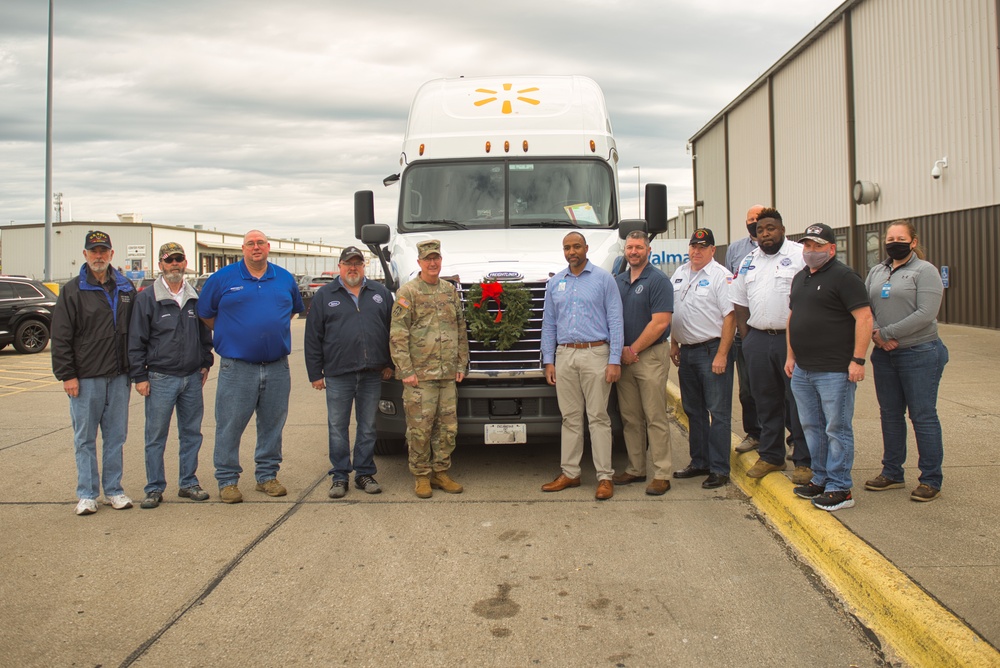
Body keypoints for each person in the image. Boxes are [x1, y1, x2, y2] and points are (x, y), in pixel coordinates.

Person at [196, 230, 304, 504]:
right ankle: (228, 480)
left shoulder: (283, 278)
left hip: (277, 366)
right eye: (250, 244)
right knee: (230, 425)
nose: (256, 248)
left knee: (272, 425)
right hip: (237, 367)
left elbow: (292, 309)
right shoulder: (222, 278)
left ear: (268, 247)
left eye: (260, 243)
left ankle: (267, 476)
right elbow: (206, 314)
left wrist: (268, 327)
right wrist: (234, 334)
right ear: (243, 248)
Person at [784, 224, 872, 512]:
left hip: (835, 370)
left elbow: (864, 319)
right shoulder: (800, 278)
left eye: (817, 246)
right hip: (803, 369)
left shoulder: (845, 277)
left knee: (837, 428)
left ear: (831, 249)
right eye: (807, 246)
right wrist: (791, 357)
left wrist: (858, 360)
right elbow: (793, 319)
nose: (811, 252)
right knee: (812, 427)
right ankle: (820, 478)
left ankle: (840, 487)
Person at [51, 230, 137, 515]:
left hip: (119, 376)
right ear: (85, 254)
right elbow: (61, 336)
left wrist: (135, 371)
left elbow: (136, 333)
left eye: (103, 250)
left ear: (112, 254)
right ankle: (87, 493)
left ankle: (114, 490)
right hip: (86, 378)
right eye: (93, 251)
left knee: (116, 437)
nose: (98, 256)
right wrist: (67, 375)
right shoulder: (72, 290)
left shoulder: (125, 288)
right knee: (85, 438)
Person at [864, 220, 948, 502]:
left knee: (922, 416)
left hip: (920, 352)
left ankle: (930, 479)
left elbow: (926, 312)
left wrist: (887, 333)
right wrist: (877, 334)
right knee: (889, 414)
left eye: (900, 237)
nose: (893, 241)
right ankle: (892, 473)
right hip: (884, 355)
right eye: (890, 237)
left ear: (913, 242)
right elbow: (866, 306)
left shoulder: (925, 271)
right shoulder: (877, 271)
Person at [128, 242, 214, 509]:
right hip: (159, 378)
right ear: (160, 265)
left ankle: (188, 483)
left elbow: (204, 336)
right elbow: (136, 340)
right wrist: (139, 377)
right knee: (156, 436)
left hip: (191, 378)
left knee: (191, 434)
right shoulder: (147, 298)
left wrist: (205, 362)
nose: (175, 264)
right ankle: (154, 487)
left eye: (179, 259)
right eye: (169, 260)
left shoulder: (194, 296)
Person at [729, 208, 812, 483]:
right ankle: (771, 456)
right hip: (758, 340)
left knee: (797, 401)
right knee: (765, 400)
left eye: (770, 229)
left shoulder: (800, 255)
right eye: (761, 230)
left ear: (782, 229)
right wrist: (747, 336)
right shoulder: (748, 261)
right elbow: (739, 301)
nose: (765, 234)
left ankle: (803, 460)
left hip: (792, 341)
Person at [305, 246, 394, 499]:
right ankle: (340, 476)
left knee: (367, 427)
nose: (352, 268)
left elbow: (392, 332)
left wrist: (390, 364)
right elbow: (313, 337)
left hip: (371, 375)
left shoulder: (380, 293)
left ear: (364, 266)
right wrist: (315, 374)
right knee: (337, 426)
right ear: (340, 266)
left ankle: (364, 473)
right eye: (348, 263)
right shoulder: (324, 296)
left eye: (357, 263)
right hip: (338, 374)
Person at [540, 232, 624, 500]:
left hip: (595, 353)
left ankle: (604, 477)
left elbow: (616, 321)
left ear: (586, 248)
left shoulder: (603, 279)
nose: (571, 251)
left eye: (576, 246)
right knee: (570, 418)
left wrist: (614, 360)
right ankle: (571, 473)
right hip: (565, 355)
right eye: (567, 247)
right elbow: (549, 324)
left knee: (598, 417)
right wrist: (549, 360)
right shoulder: (555, 283)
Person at [389, 239, 469, 499]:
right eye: (428, 259)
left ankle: (441, 472)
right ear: (419, 262)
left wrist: (461, 363)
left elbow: (460, 328)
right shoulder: (408, 292)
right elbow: (398, 334)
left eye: (436, 258)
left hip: (446, 375)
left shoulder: (449, 291)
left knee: (447, 428)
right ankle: (421, 476)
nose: (433, 263)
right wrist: (406, 369)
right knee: (420, 429)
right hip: (419, 377)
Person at [669, 228, 736, 489]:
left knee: (717, 413)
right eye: (693, 246)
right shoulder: (680, 273)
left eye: (702, 247)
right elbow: (675, 311)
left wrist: (722, 354)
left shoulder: (721, 276)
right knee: (693, 410)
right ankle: (699, 462)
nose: (696, 251)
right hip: (686, 352)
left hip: (712, 351)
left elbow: (730, 317)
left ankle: (719, 469)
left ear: (712, 250)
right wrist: (674, 342)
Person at [613, 230, 673, 496]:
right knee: (630, 417)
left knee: (655, 416)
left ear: (649, 250)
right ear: (624, 251)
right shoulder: (619, 280)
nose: (634, 252)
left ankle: (662, 473)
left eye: (639, 247)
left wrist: (633, 349)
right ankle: (636, 468)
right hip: (625, 357)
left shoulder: (658, 280)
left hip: (649, 356)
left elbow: (660, 322)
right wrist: (621, 353)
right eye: (629, 248)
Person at [726, 205, 764, 454]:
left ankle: (794, 438)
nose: (754, 223)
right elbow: (732, 288)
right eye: (750, 220)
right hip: (744, 332)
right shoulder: (736, 250)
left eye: (758, 219)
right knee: (748, 389)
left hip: (774, 331)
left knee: (783, 390)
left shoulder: (787, 250)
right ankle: (755, 433)